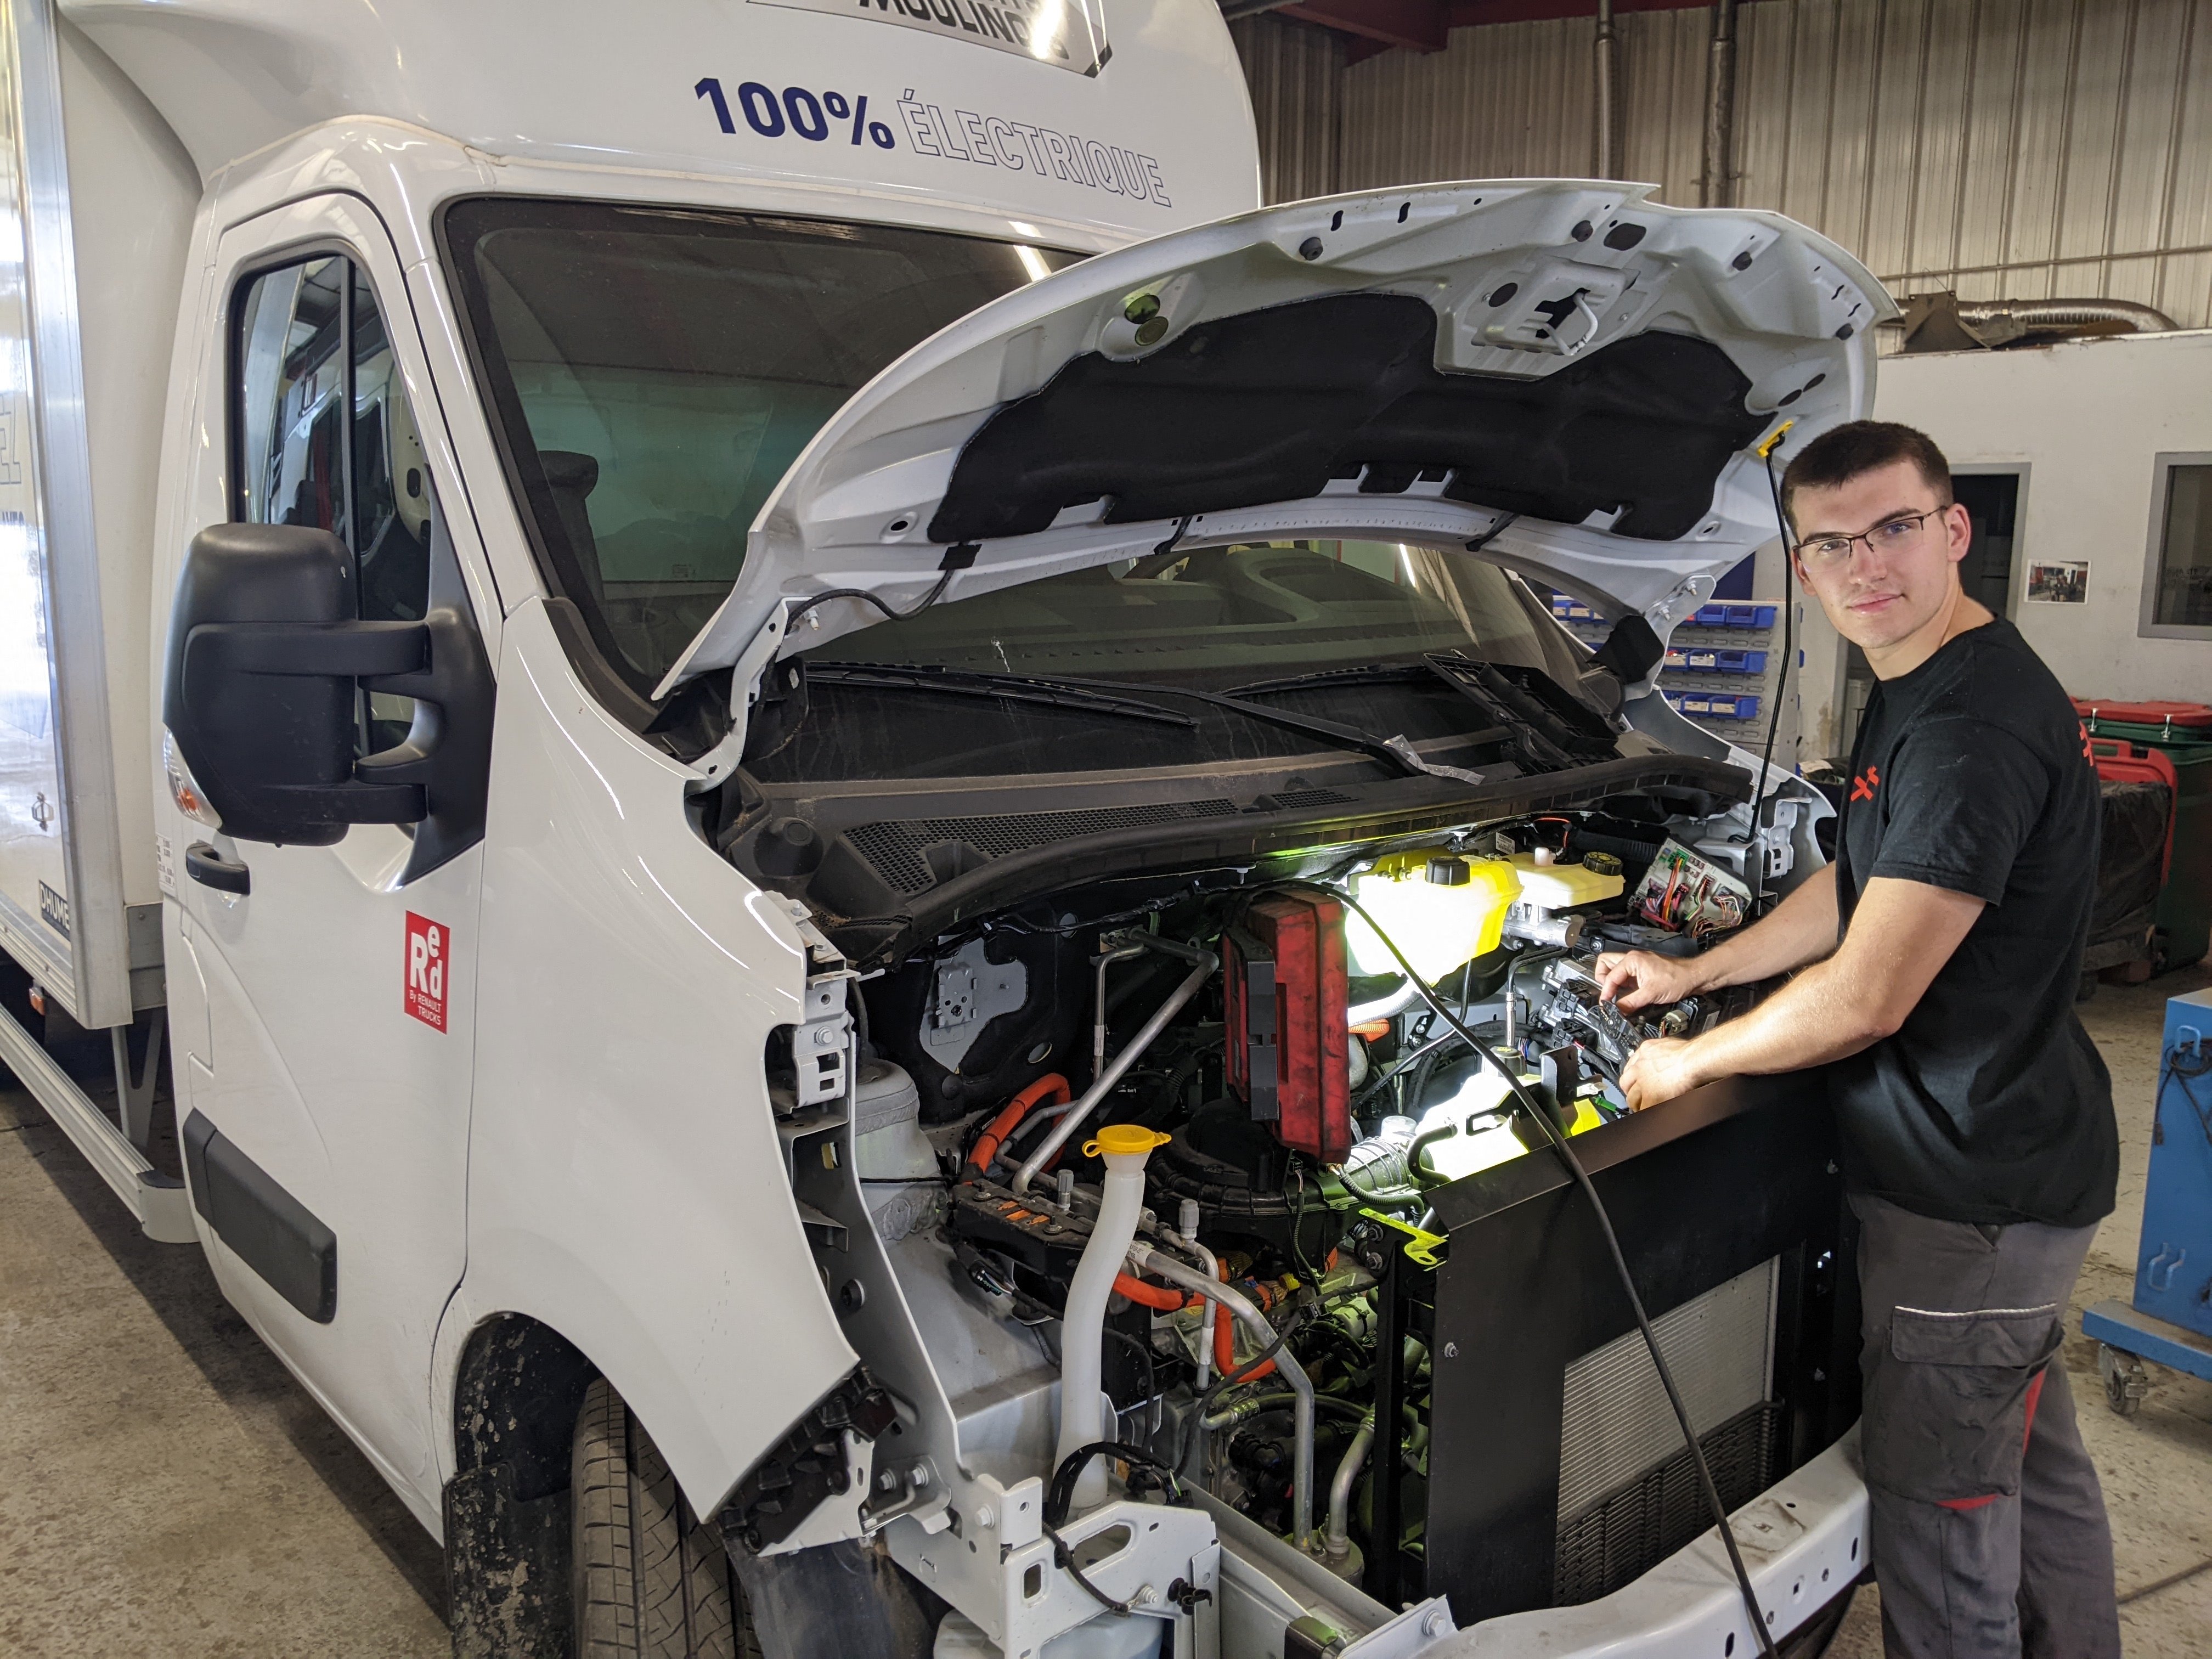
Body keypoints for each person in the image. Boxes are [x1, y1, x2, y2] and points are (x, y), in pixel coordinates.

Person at [1595, 421, 2121, 1659]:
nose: (1862, 565)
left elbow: (1868, 995)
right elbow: (1855, 881)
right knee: (2026, 1467)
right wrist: (1696, 970)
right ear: (1801, 562)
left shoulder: (1967, 727)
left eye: (1891, 529)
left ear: (1955, 530)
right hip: (2012, 1158)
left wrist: (1689, 1059)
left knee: (1944, 1515)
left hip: (1968, 1193)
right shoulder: (1925, 681)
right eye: (1829, 544)